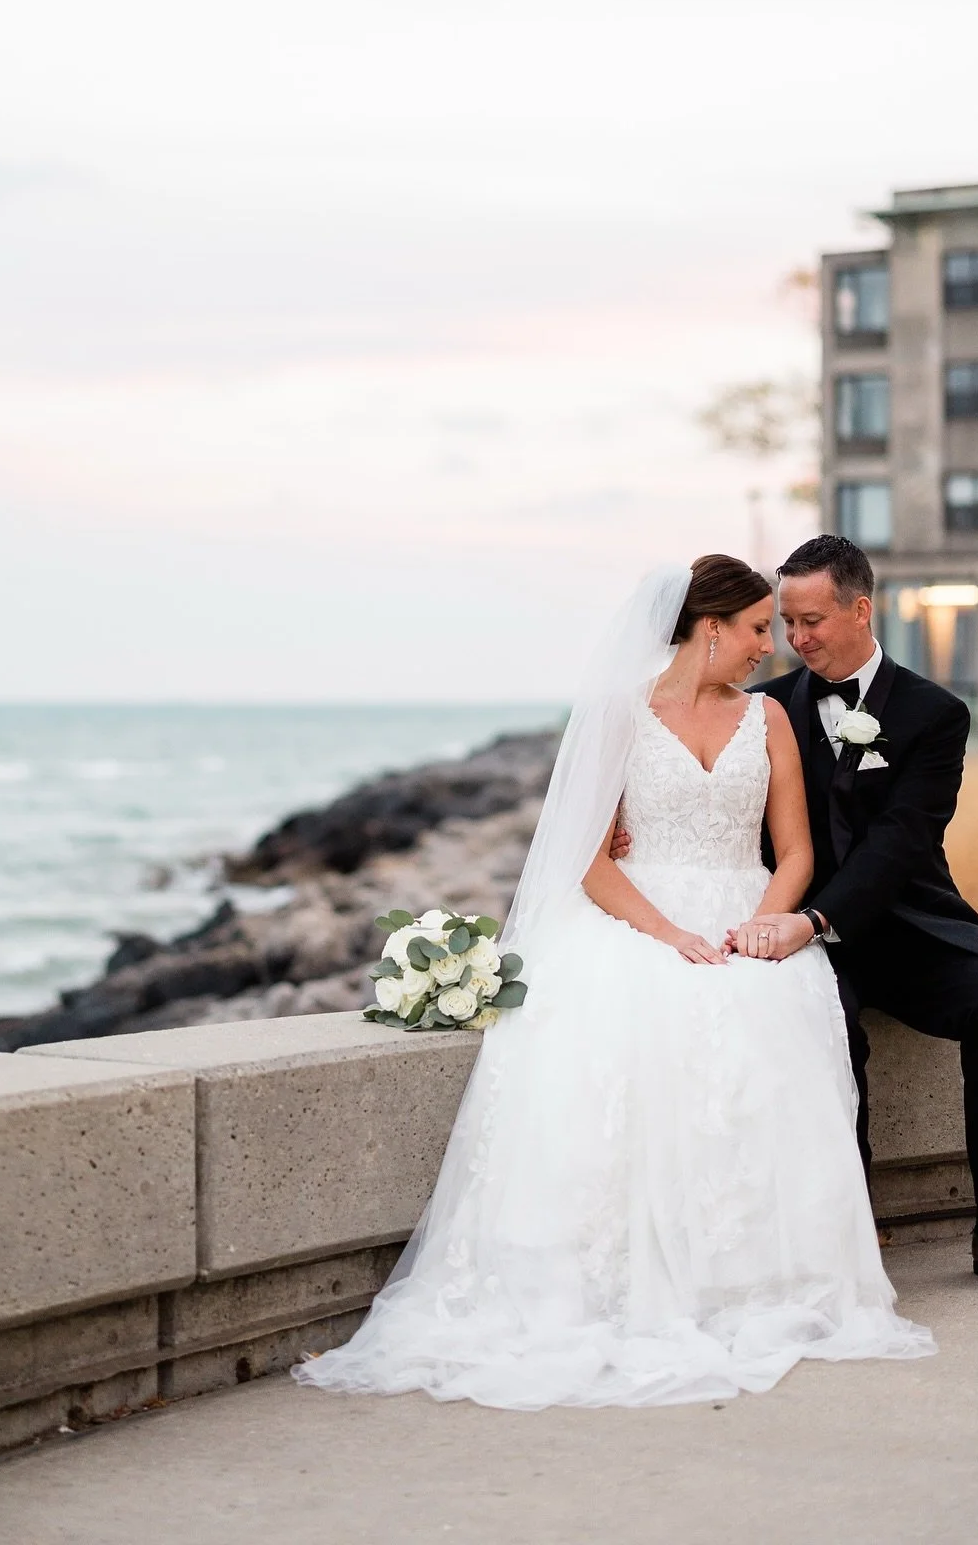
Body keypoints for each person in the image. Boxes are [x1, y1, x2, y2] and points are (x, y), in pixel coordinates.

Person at [294, 556, 932, 1410]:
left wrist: (764, 927)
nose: (769, 645)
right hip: (639, 914)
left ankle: (757, 1279)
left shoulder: (771, 718)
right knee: (640, 1010)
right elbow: (589, 860)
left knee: (770, 1004)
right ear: (711, 627)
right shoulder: (620, 716)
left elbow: (797, 852)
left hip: (745, 913)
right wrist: (668, 934)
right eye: (756, 628)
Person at [686, 534, 978, 1294]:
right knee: (832, 1031)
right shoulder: (765, 709)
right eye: (787, 622)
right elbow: (719, 802)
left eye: (812, 620)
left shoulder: (935, 713)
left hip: (911, 925)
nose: (796, 638)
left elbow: (901, 841)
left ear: (861, 609)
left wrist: (816, 919)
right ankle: (851, 1233)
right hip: (803, 937)